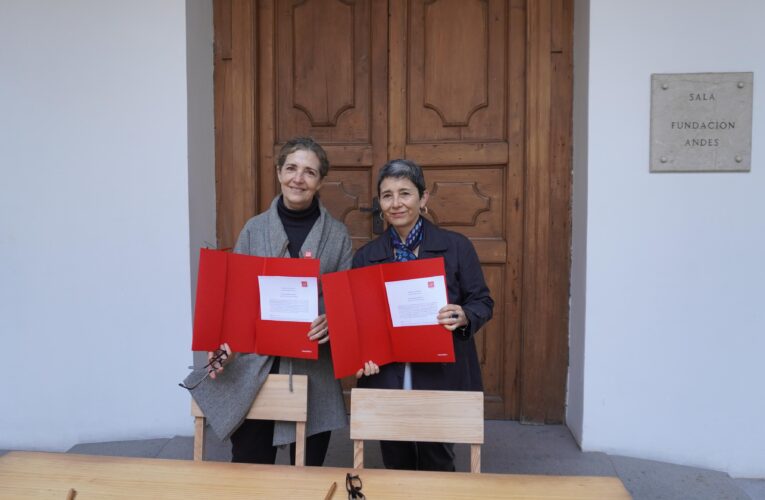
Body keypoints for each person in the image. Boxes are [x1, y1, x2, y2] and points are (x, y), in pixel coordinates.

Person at [209, 137, 351, 466]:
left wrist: (331, 318)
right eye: (291, 168)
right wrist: (222, 342)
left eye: (309, 172)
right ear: (278, 173)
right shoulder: (254, 229)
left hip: (314, 369)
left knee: (307, 472)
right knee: (250, 468)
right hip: (255, 367)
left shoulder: (339, 235)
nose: (298, 179)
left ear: (320, 181)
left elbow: (344, 300)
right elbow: (235, 298)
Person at [353, 159, 494, 472]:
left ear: (423, 198)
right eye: (387, 195)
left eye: (405, 193)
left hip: (442, 372)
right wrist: (362, 355)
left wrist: (464, 316)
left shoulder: (456, 247)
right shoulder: (366, 257)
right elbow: (357, 321)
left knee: (437, 461)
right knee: (396, 461)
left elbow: (483, 301)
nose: (396, 203)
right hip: (387, 374)